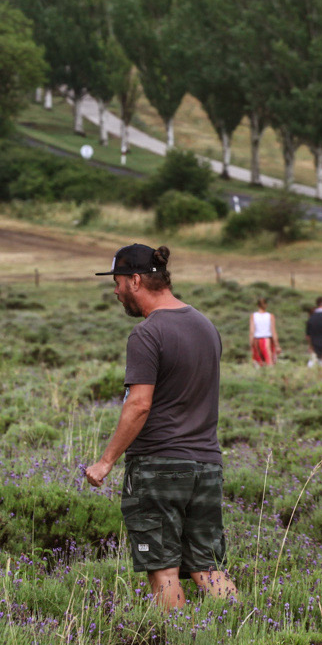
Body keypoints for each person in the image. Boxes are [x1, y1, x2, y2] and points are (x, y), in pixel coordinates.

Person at [83, 244, 238, 611]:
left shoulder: (147, 334)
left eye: (118, 282)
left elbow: (139, 404)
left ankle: (178, 642)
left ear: (136, 280)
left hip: (159, 467)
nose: (116, 291)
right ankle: (243, 631)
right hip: (207, 465)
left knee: (163, 569)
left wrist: (105, 462)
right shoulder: (205, 325)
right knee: (207, 567)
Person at [249, 297, 280, 366]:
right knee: (270, 362)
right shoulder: (270, 316)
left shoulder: (253, 316)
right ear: (266, 305)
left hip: (256, 340)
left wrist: (251, 343)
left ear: (258, 305)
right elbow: (273, 331)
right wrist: (277, 345)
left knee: (258, 363)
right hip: (267, 340)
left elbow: (252, 331)